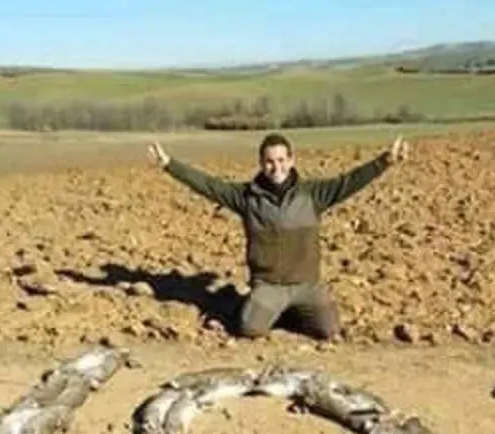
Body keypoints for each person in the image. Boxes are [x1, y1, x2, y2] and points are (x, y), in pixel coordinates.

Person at [147, 132, 408, 341]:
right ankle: (256, 306)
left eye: (282, 160)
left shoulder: (312, 194)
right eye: (270, 161)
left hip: (306, 285)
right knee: (249, 329)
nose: (276, 167)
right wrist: (170, 165)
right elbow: (210, 186)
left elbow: (349, 181)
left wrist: (385, 161)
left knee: (328, 331)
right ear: (262, 164)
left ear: (292, 160)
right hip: (269, 286)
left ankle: (286, 312)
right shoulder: (247, 197)